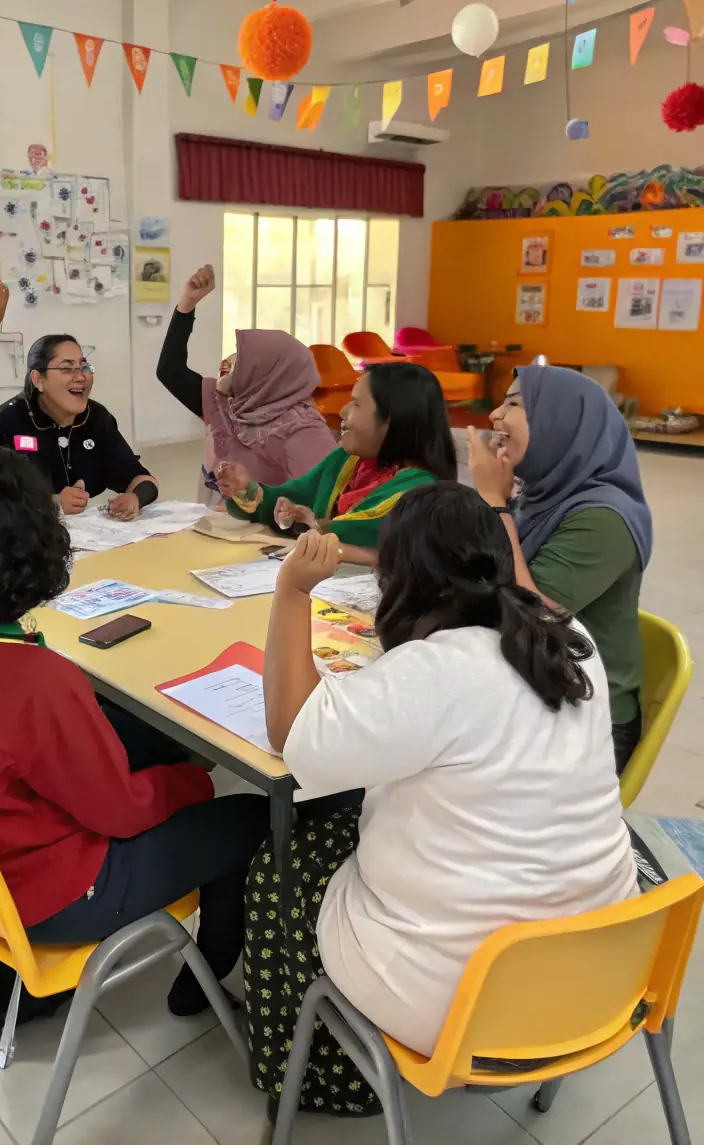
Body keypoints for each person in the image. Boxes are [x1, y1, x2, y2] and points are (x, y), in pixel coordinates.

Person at [0, 278, 269, 1016]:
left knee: (142, 731)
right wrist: (195, 780)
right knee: (243, 815)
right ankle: (206, 982)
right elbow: (118, 811)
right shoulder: (35, 679)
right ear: (37, 559)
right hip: (59, 890)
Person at [244, 487, 637, 1118]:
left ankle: (323, 1083)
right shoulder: (569, 639)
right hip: (604, 965)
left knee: (279, 868)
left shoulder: (430, 672)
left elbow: (292, 733)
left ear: (400, 580)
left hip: (461, 995)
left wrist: (292, 592)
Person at [468, 365, 652, 773]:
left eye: (513, 404)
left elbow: (533, 613)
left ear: (562, 423)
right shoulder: (540, 495)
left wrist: (493, 502)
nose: (495, 415)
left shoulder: (605, 517)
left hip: (586, 717)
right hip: (531, 681)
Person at [218, 360, 456, 563]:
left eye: (355, 403)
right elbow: (292, 496)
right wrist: (248, 491)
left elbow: (362, 530)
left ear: (391, 419)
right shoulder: (347, 460)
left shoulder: (420, 489)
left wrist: (311, 524)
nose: (342, 412)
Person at [156, 265, 333, 506]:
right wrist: (188, 303)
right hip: (216, 519)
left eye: (241, 360)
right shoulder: (229, 404)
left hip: (260, 534)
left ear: (270, 375)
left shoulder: (303, 432)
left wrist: (251, 494)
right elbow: (169, 370)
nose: (228, 363)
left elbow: (315, 505)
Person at [0, 334, 159, 518]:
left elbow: (141, 477)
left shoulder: (97, 418)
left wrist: (134, 498)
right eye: (67, 368)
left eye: (84, 367)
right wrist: (52, 504)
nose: (81, 376)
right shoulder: (7, 422)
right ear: (38, 379)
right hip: (24, 538)